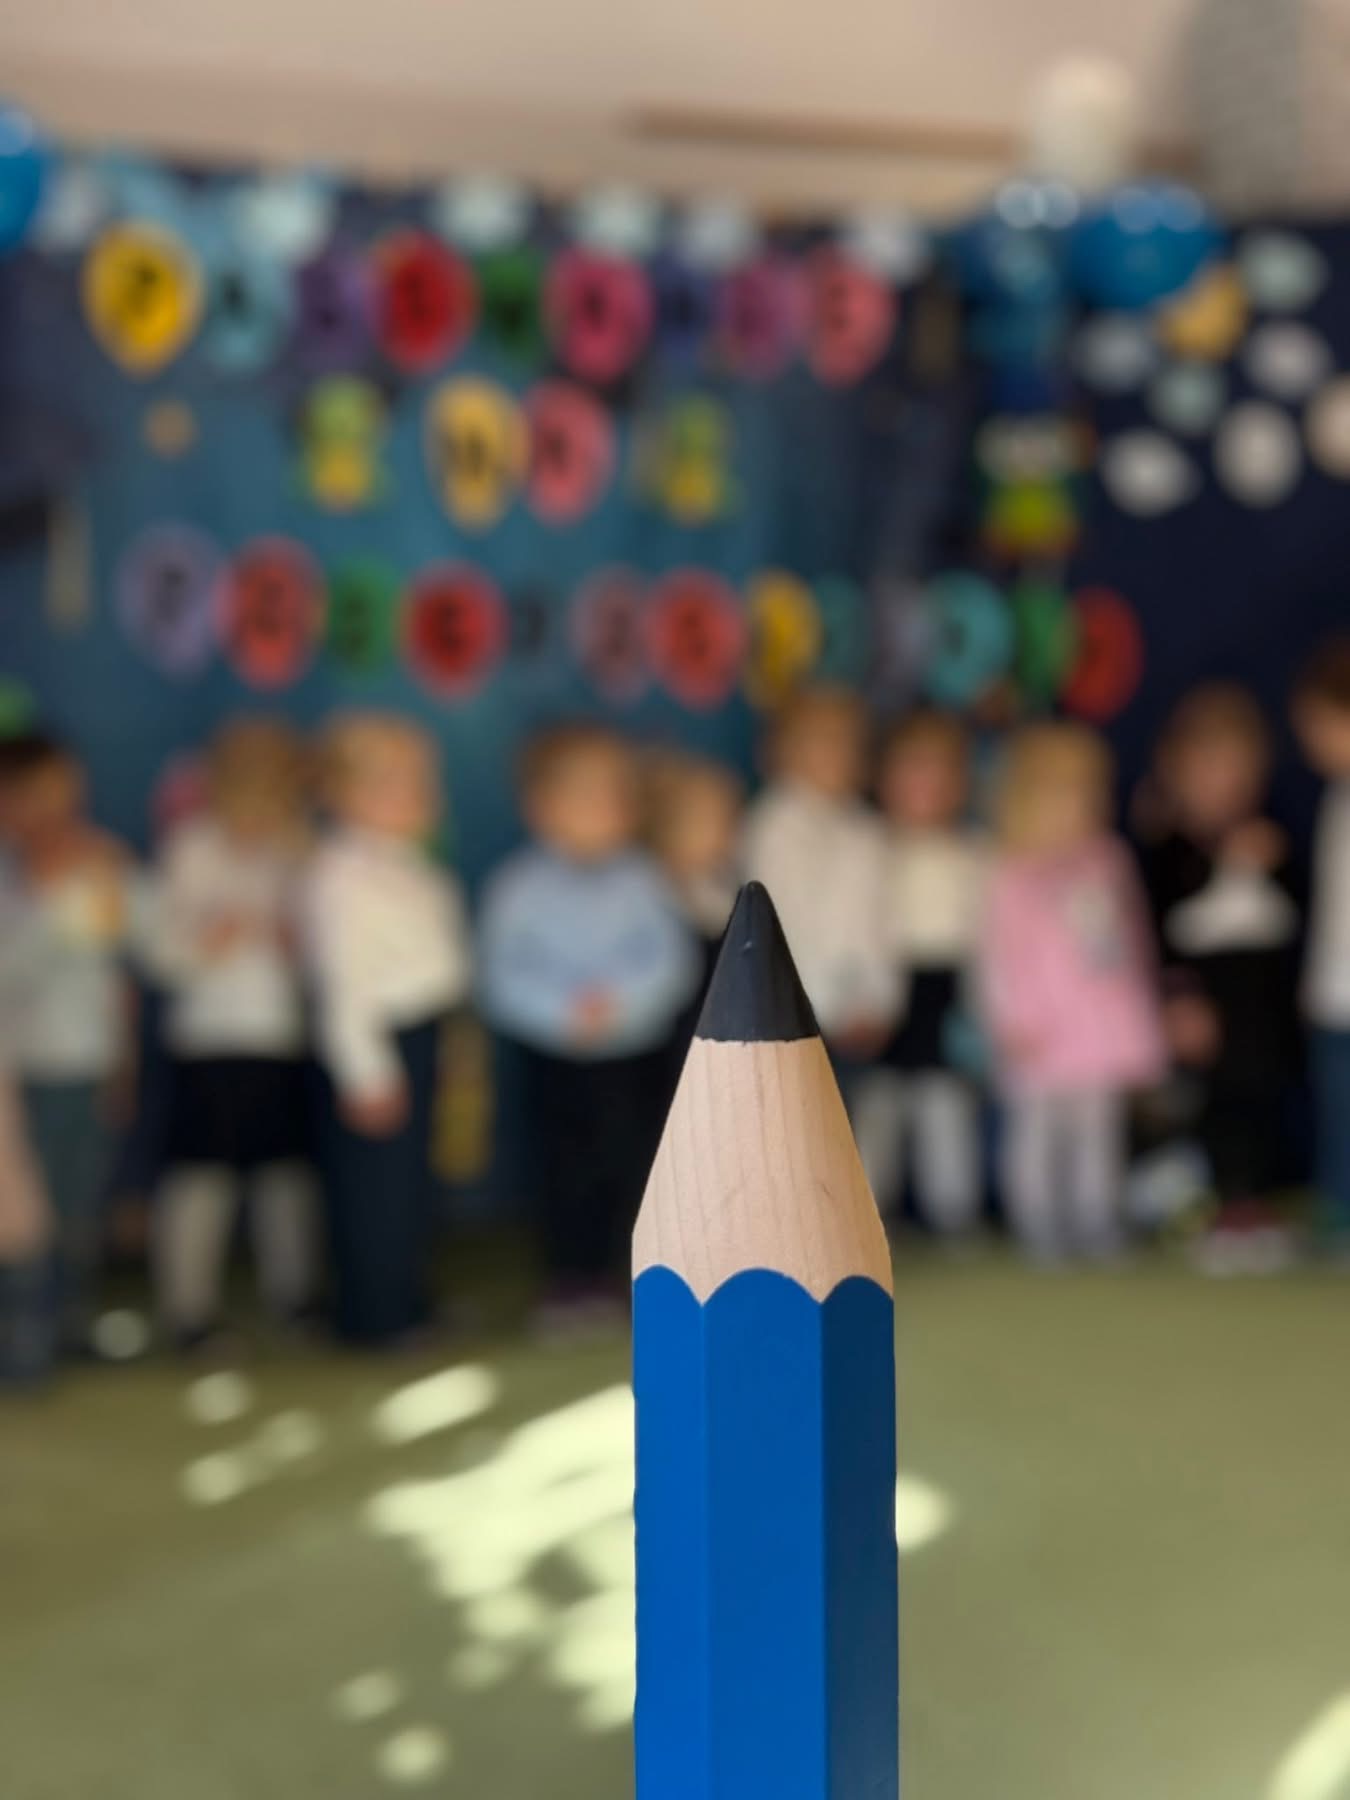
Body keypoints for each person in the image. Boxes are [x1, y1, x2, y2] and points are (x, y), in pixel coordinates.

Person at [478, 723, 697, 1332]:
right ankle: (571, 1281)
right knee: (563, 1174)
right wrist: (562, 1014)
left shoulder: (644, 879)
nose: (605, 809)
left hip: (636, 1057)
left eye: (615, 794)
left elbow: (672, 962)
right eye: (586, 795)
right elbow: (501, 977)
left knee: (639, 1167)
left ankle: (642, 1278)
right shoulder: (516, 888)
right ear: (541, 807)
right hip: (556, 1061)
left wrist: (622, 1005)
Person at [145, 720, 317, 1351]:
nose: (260, 799)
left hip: (282, 1041)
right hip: (208, 1044)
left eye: (274, 786)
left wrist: (296, 944)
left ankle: (294, 1295)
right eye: (247, 783)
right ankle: (188, 1310)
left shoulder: (297, 852)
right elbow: (158, 951)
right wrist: (207, 942)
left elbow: (329, 948)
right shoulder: (190, 849)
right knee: (201, 1175)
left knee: (285, 1174)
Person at [305, 715, 472, 1346]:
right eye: (391, 785)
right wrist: (365, 1072)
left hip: (423, 1032)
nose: (415, 798)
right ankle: (375, 1315)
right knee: (375, 1189)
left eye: (420, 783)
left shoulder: (408, 863)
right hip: (378, 1043)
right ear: (340, 794)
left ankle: (407, 1297)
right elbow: (342, 987)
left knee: (412, 1184)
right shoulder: (340, 875)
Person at [978, 723, 1165, 1263]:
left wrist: (1138, 1013)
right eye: (1061, 795)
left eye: (1089, 794)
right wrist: (1009, 1018)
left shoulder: (1108, 861)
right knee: (1038, 1132)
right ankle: (1040, 1222)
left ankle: (1097, 1219)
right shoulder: (1010, 873)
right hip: (1039, 1031)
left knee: (1098, 1130)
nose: (1079, 808)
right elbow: (996, 958)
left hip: (1099, 1027)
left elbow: (1132, 943)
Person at [1138, 685, 1302, 1271]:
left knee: (1260, 1104)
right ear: (1178, 771)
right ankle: (1207, 1209)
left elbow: (1293, 919)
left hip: (1262, 1013)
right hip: (1202, 1012)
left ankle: (1251, 1207)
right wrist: (1177, 1000)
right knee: (1211, 1109)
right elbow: (1154, 931)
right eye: (1209, 769)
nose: (1224, 785)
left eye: (1237, 771)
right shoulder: (1169, 848)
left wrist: (1269, 864)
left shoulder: (1272, 835)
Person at [0, 730, 135, 1371]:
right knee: (26, 1214)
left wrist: (120, 1061)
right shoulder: (12, 879)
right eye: (38, 794)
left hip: (91, 1063)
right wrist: (53, 899)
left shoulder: (98, 860)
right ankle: (23, 1332)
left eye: (65, 791)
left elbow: (123, 963)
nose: (57, 809)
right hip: (23, 1071)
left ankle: (67, 1322)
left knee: (80, 1204)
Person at [853, 711, 988, 1235]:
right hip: (882, 989)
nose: (927, 787)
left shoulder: (976, 853)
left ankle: (954, 1214)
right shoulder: (867, 848)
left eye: (941, 772)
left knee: (945, 1107)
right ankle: (864, 1219)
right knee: (877, 1107)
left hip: (949, 989)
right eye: (913, 771)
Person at [741, 686, 895, 1058]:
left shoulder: (868, 830)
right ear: (785, 749)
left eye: (849, 742)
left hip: (864, 1016)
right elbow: (783, 921)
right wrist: (824, 1004)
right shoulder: (774, 826)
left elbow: (881, 922)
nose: (839, 753)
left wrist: (877, 1000)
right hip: (793, 1016)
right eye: (825, 740)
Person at [1293, 639, 1350, 1255]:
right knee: (1337, 1107)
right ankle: (1338, 1208)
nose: (1311, 742)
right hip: (1334, 995)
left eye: (1322, 726)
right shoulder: (1335, 797)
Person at [644, 749, 743, 1066]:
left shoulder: (725, 883)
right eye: (706, 822)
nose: (725, 834)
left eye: (730, 820)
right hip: (670, 1032)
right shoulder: (649, 889)